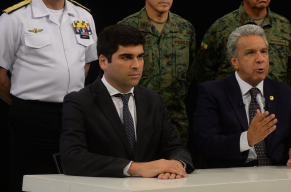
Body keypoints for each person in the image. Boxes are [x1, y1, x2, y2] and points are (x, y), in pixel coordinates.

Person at [0, 0, 97, 191]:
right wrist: (22, 103)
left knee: (74, 179)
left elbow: (85, 63)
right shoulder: (16, 18)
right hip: (32, 116)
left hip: (74, 114)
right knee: (31, 178)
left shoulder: (83, 16)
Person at [59, 24, 194, 178]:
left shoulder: (152, 99)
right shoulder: (79, 102)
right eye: (126, 57)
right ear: (103, 62)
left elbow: (177, 148)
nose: (136, 65)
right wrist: (136, 168)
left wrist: (176, 164)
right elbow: (72, 159)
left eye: (140, 57)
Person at [193, 24, 291, 168]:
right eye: (250, 53)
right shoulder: (212, 93)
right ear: (234, 61)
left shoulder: (285, 93)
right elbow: (206, 145)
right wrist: (247, 139)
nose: (260, 59)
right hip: (233, 177)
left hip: (278, 175)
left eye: (264, 52)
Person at [117, 0, 196, 146]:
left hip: (175, 120)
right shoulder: (126, 28)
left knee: (176, 170)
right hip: (137, 117)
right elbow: (116, 75)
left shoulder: (185, 29)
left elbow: (191, 73)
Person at [195, 0, 291, 85]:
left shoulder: (283, 26)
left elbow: (290, 68)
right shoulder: (222, 26)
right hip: (231, 101)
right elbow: (203, 70)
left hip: (272, 100)